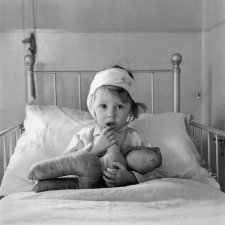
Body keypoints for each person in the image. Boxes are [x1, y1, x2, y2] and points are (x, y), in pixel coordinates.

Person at [28, 66, 162, 191]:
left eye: (119, 107)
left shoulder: (134, 139)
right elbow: (65, 164)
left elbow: (153, 173)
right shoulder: (85, 136)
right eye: (103, 106)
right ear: (93, 108)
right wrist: (95, 149)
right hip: (84, 189)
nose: (111, 114)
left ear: (130, 110)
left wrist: (129, 178)